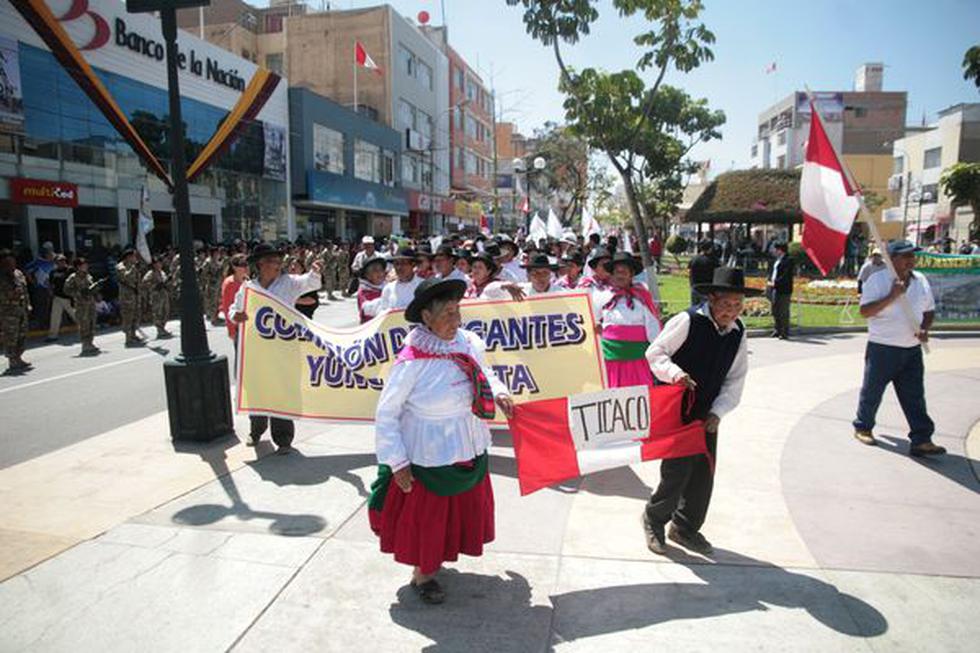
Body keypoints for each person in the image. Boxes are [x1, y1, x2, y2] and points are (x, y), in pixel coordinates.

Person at [369, 277, 514, 605]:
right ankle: (423, 574)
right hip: (430, 452)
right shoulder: (412, 359)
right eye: (447, 314)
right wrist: (397, 462)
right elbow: (387, 413)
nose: (456, 320)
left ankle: (441, 556)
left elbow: (485, 373)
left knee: (457, 512)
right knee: (430, 518)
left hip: (467, 441)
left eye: (457, 311)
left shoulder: (468, 342)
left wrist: (499, 392)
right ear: (427, 317)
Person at [643, 266, 760, 555]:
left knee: (703, 472)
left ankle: (685, 527)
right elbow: (655, 353)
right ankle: (654, 519)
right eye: (726, 304)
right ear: (712, 299)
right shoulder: (688, 321)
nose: (731, 311)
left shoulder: (738, 332)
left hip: (707, 412)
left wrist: (718, 412)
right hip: (679, 408)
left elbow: (735, 377)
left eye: (737, 305)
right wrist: (674, 373)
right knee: (677, 471)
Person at [852, 240, 943, 457]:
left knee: (915, 396)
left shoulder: (920, 280)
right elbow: (865, 312)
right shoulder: (877, 280)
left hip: (911, 350)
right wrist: (892, 296)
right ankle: (863, 427)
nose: (911, 260)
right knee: (872, 391)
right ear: (891, 259)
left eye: (913, 255)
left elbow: (929, 310)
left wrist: (924, 328)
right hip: (883, 348)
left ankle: (922, 439)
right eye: (906, 256)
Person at [230, 242, 322, 454]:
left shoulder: (288, 283)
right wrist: (236, 315)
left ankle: (283, 439)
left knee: (282, 391)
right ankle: (256, 430)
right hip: (257, 350)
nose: (278, 264)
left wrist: (315, 271)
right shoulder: (249, 287)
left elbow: (310, 282)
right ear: (260, 264)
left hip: (282, 349)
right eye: (272, 261)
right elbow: (234, 308)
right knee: (258, 390)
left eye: (279, 260)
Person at [592, 253, 662, 388]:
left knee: (638, 393)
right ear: (612, 275)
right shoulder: (602, 297)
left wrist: (658, 351)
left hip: (637, 359)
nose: (620, 276)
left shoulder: (642, 297)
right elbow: (594, 320)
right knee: (613, 393)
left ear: (631, 275)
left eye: (624, 272)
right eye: (617, 272)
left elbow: (653, 326)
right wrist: (597, 327)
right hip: (610, 359)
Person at [363, 246, 422, 316]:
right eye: (396, 264)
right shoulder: (388, 289)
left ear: (413, 265)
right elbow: (384, 314)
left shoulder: (422, 286)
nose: (399, 267)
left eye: (403, 263)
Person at [1, 248, 32, 371]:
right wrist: (10, 296)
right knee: (11, 336)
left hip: (21, 308)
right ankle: (12, 360)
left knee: (22, 334)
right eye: (8, 261)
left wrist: (28, 304)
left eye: (12, 260)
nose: (11, 263)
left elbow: (25, 291)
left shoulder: (18, 273)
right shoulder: (1, 277)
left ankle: (18, 357)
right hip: (8, 311)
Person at [63, 257, 101, 355]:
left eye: (86, 264)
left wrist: (96, 292)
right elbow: (66, 290)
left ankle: (90, 343)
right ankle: (85, 344)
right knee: (84, 325)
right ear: (78, 267)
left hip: (91, 303)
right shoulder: (73, 277)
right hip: (81, 305)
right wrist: (78, 293)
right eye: (84, 265)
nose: (86, 266)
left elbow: (91, 287)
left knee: (92, 323)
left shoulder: (88, 276)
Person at [766, 241, 794, 340]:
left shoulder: (788, 260)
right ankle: (777, 329)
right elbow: (773, 272)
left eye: (775, 249)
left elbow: (785, 276)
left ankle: (784, 332)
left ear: (780, 250)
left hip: (784, 289)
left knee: (783, 311)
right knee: (775, 309)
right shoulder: (777, 260)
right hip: (775, 288)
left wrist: (776, 283)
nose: (774, 251)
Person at [140, 256, 173, 339]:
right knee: (158, 313)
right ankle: (159, 330)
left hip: (164, 294)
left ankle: (163, 328)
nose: (159, 265)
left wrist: (168, 281)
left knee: (166, 312)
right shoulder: (150, 273)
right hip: (156, 295)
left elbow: (165, 281)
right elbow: (144, 283)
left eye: (160, 263)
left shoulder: (162, 272)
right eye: (157, 263)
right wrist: (154, 286)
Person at [116, 247, 143, 346]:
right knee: (128, 316)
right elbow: (125, 277)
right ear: (128, 257)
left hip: (135, 294)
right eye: (134, 256)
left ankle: (133, 334)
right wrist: (133, 268)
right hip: (126, 296)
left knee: (136, 315)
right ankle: (128, 338)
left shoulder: (133, 266)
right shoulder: (121, 266)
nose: (135, 258)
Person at [46, 254, 76, 342]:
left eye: (63, 260)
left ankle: (87, 328)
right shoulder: (53, 272)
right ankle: (53, 335)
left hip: (68, 297)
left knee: (76, 315)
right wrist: (50, 292)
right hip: (57, 297)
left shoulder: (70, 270)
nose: (62, 262)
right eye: (59, 261)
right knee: (55, 316)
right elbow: (51, 284)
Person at [356, 255, 388, 323]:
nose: (379, 273)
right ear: (367, 275)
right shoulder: (364, 290)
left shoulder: (387, 286)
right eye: (375, 270)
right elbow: (366, 309)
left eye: (381, 270)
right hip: (371, 325)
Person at [688, 240, 719, 306]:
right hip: (707, 289)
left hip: (695, 288)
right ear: (710, 248)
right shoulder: (714, 261)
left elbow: (689, 272)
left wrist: (691, 284)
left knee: (694, 308)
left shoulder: (694, 259)